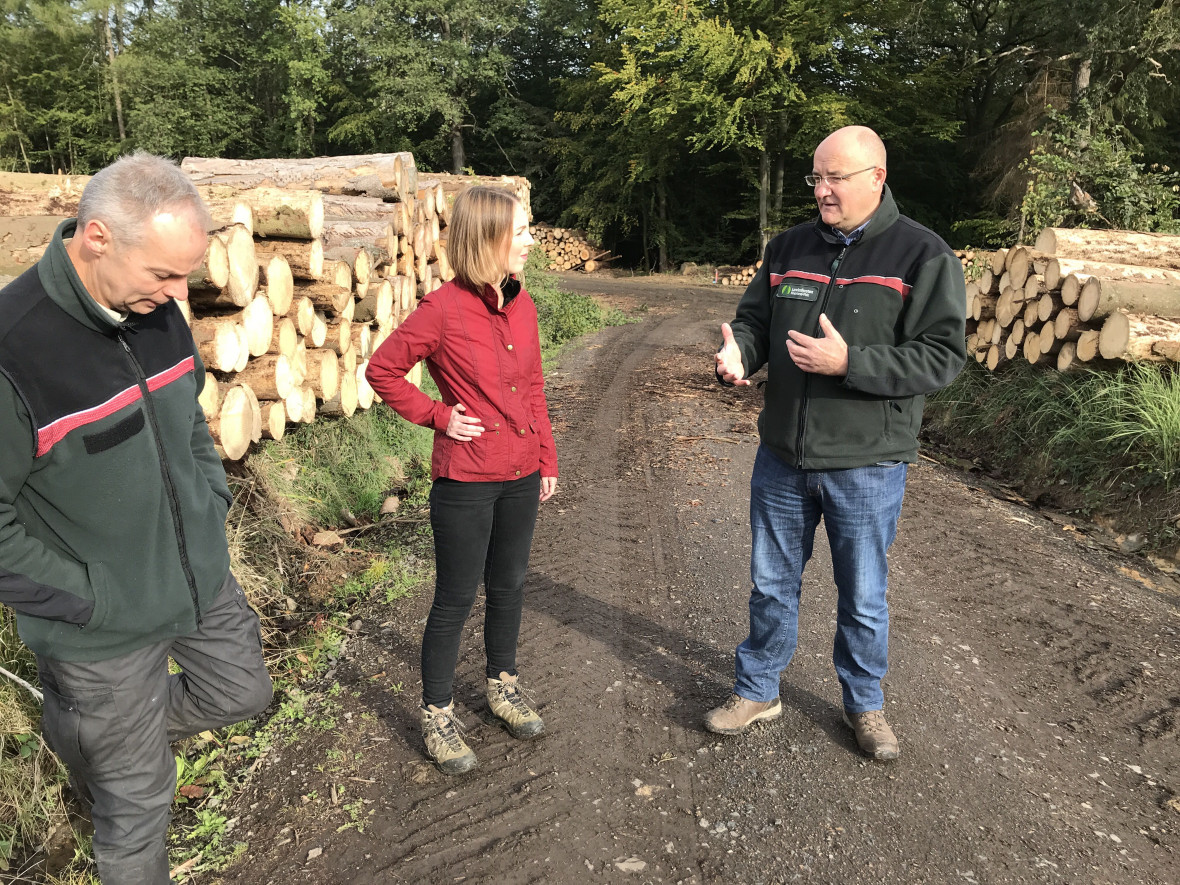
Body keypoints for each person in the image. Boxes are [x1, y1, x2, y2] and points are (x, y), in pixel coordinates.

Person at [0, 153, 273, 883]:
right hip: (101, 631)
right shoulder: (13, 349)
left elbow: (186, 421)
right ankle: (109, 748)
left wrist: (210, 504)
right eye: (163, 275)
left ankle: (99, 741)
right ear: (96, 238)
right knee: (137, 811)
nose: (179, 293)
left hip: (197, 579)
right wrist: (91, 596)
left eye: (186, 274)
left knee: (245, 691)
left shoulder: (155, 312)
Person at [706, 126, 966, 761]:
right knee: (771, 584)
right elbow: (756, 321)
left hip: (867, 464)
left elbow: (942, 358)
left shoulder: (923, 256)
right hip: (782, 458)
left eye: (835, 179)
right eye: (815, 178)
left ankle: (865, 705)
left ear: (877, 177)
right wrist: (740, 350)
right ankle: (757, 688)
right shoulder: (789, 247)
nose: (822, 191)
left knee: (864, 594)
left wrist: (851, 363)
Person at [366, 186, 558, 775]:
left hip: (522, 472)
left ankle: (502, 684)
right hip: (467, 480)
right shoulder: (442, 309)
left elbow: (534, 388)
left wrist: (546, 458)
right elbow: (383, 370)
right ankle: (438, 713)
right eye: (522, 230)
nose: (531, 239)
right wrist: (439, 415)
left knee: (511, 584)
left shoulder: (521, 304)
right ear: (489, 239)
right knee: (455, 597)